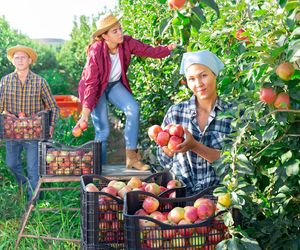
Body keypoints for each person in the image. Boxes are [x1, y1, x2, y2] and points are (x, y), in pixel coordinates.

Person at [77, 13, 176, 170]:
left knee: (133, 109)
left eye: (120, 29)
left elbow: (149, 51)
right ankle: (100, 168)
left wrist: (169, 49)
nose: (120, 33)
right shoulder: (96, 51)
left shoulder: (127, 43)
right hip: (96, 88)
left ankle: (131, 158)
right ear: (104, 36)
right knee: (103, 130)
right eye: (115, 31)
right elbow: (91, 84)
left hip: (114, 84)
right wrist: (85, 115)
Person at [157, 50, 233, 195]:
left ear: (214, 75)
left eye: (203, 75)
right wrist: (166, 148)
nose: (198, 83)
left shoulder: (232, 114)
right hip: (181, 202)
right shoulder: (176, 113)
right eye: (191, 79)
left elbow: (234, 162)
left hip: (221, 200)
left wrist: (195, 146)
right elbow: (164, 161)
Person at [0, 45, 59, 201]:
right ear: (13, 61)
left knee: (33, 168)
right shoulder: (4, 82)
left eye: (23, 57)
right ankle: (25, 185)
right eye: (17, 57)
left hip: (34, 133)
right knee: (11, 164)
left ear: (30, 60)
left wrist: (51, 125)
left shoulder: (40, 82)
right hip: (12, 132)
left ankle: (33, 202)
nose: (20, 60)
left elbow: (53, 107)